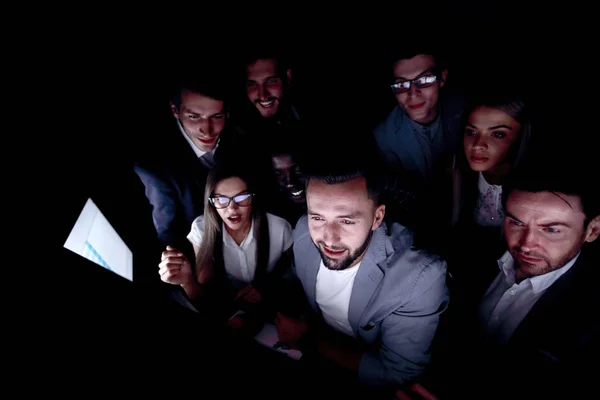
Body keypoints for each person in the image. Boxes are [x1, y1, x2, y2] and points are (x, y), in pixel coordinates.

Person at [275, 160, 449, 389]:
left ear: (377, 218)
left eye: (346, 220)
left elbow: (398, 374)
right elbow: (295, 278)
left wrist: (309, 340)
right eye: (317, 217)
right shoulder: (303, 231)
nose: (328, 238)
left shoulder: (419, 278)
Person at [452, 167, 600, 398]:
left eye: (551, 229)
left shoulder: (593, 313)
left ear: (592, 230)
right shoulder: (470, 256)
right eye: (516, 223)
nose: (527, 243)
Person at [157, 161, 294, 331]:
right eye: (221, 199)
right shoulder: (202, 229)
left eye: (242, 198)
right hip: (229, 303)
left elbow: (295, 274)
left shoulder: (279, 227)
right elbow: (203, 293)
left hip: (274, 302)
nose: (232, 208)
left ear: (252, 197)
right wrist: (186, 280)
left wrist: (268, 287)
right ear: (211, 202)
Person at [134, 75, 246, 257]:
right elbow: (170, 236)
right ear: (175, 110)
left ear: (227, 113)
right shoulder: (155, 166)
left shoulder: (243, 138)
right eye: (194, 117)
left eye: (216, 116)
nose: (207, 130)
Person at [373, 48, 465, 188]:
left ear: (442, 78)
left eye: (424, 79)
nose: (413, 94)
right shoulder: (385, 136)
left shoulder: (465, 112)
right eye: (401, 84)